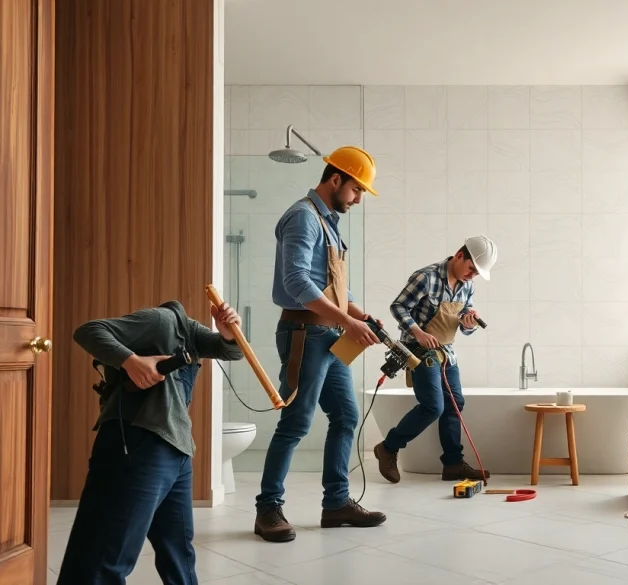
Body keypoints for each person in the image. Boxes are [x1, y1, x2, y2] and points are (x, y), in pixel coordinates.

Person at [57, 300, 244, 584]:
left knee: (167, 556)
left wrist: (229, 333)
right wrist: (131, 362)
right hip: (145, 442)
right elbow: (89, 331)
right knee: (122, 556)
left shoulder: (190, 330)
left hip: (165, 447)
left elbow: (227, 350)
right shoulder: (160, 321)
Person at [254, 146, 387, 543]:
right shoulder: (302, 217)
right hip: (304, 334)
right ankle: (268, 510)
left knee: (346, 416)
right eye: (356, 189)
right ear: (335, 180)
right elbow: (296, 282)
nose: (359, 198)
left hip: (329, 334)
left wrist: (358, 314)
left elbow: (331, 284)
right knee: (295, 422)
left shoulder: (328, 222)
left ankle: (337, 503)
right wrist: (346, 319)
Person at [374, 236, 498, 483]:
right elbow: (398, 307)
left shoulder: (467, 286)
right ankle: (388, 447)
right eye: (472, 268)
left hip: (446, 352)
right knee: (433, 406)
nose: (472, 276)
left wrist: (468, 322)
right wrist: (418, 333)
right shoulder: (426, 277)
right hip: (419, 350)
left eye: (477, 273)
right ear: (459, 255)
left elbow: (463, 324)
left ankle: (453, 464)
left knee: (455, 403)